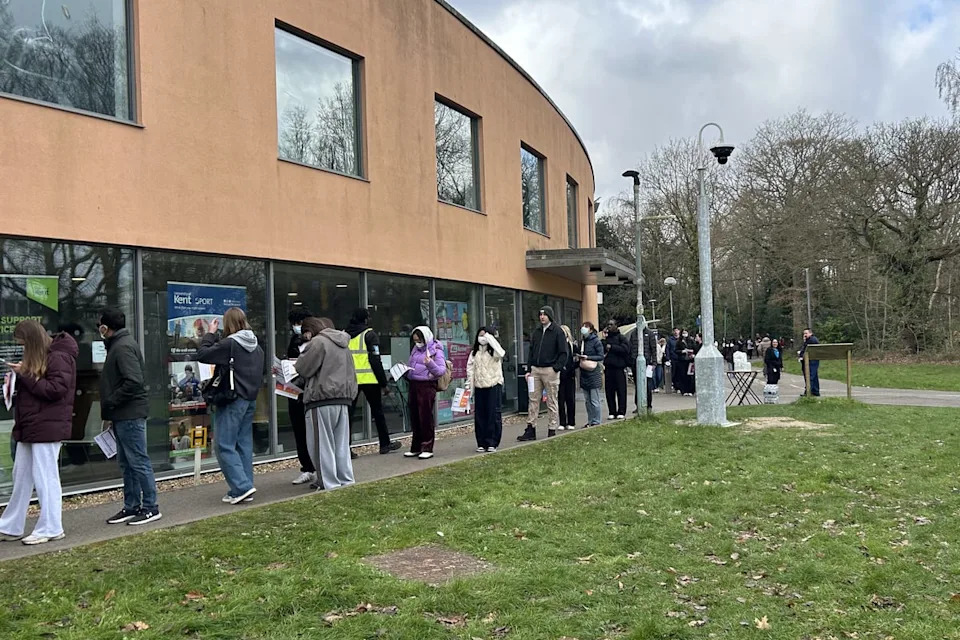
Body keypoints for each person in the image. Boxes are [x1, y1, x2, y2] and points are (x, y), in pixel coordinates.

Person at [0, 321, 77, 545]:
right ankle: (11, 525)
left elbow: (56, 390)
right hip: (34, 424)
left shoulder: (59, 357)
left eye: (23, 344)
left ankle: (51, 526)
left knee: (46, 477)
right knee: (21, 475)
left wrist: (24, 375)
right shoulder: (49, 355)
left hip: (46, 426)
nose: (22, 349)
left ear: (32, 342)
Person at [97, 308, 162, 525]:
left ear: (105, 327)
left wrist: (111, 401)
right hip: (123, 413)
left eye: (100, 325)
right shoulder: (118, 345)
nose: (99, 329)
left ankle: (151, 507)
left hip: (130, 413)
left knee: (138, 461)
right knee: (127, 463)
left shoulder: (122, 347)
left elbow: (133, 381)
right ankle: (132, 506)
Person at [198, 308, 265, 505]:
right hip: (250, 399)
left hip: (232, 399)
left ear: (228, 324)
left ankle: (241, 487)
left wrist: (210, 333)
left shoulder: (231, 344)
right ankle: (246, 485)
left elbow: (203, 354)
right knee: (243, 444)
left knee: (224, 444)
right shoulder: (256, 345)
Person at [294, 317, 357, 490]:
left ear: (309, 331)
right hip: (343, 399)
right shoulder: (343, 344)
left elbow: (302, 368)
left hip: (321, 399)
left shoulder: (318, 342)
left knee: (321, 445)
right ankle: (346, 479)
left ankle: (328, 482)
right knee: (341, 445)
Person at [346, 308, 401, 455]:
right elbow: (375, 360)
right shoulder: (369, 335)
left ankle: (345, 449)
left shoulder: (345, 335)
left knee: (348, 415)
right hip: (370, 379)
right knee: (378, 413)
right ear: (365, 319)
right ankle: (384, 444)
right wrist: (383, 383)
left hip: (351, 380)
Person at [518, 306, 567, 441]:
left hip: (550, 370)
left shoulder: (557, 332)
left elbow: (563, 353)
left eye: (544, 315)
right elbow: (532, 352)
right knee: (533, 399)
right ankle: (531, 427)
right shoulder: (537, 332)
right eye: (540, 314)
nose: (542, 317)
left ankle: (552, 427)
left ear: (550, 316)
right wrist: (529, 369)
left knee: (552, 399)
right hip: (536, 369)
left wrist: (555, 368)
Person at [285, 308, 317, 485]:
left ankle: (317, 467)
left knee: (314, 431)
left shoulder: (318, 342)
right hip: (294, 390)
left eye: (299, 323)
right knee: (299, 431)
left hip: (311, 391)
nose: (296, 327)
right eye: (294, 324)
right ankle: (306, 467)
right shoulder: (294, 341)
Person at [404, 326, 446, 459]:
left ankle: (427, 446)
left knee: (425, 417)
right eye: (415, 340)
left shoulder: (436, 350)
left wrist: (430, 363)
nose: (417, 343)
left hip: (427, 385)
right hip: (414, 384)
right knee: (415, 416)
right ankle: (416, 447)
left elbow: (440, 371)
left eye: (419, 340)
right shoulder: (415, 350)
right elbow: (413, 365)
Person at [465, 326, 505, 452]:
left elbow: (501, 352)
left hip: (493, 385)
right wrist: (469, 388)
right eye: (480, 335)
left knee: (493, 414)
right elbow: (470, 371)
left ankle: (492, 441)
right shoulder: (474, 352)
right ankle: (481, 442)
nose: (482, 338)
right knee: (480, 415)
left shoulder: (494, 351)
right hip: (479, 386)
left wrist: (490, 338)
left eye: (485, 336)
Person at [575, 322, 605, 427]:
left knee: (594, 400)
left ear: (591, 330)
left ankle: (596, 421)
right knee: (587, 401)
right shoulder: (582, 341)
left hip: (593, 374)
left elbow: (600, 356)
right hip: (584, 373)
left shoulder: (596, 341)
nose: (584, 329)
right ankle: (591, 420)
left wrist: (588, 357)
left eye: (586, 327)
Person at [602, 320, 630, 418]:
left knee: (621, 391)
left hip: (619, 368)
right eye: (608, 325)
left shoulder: (621, 338)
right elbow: (602, 349)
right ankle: (612, 411)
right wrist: (604, 338)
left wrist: (612, 347)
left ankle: (621, 411)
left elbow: (625, 349)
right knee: (609, 391)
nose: (609, 326)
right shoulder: (606, 339)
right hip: (608, 368)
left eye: (611, 325)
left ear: (616, 326)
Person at [629, 325, 658, 414]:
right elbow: (631, 348)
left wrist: (654, 362)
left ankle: (648, 405)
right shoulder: (634, 333)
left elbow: (653, 349)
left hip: (647, 363)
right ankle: (638, 405)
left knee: (647, 385)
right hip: (635, 363)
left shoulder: (650, 333)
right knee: (638, 385)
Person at [557, 325, 578, 432]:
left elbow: (576, 358)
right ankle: (562, 422)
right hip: (560, 375)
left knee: (570, 399)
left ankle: (571, 421)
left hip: (570, 375)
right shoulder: (557, 345)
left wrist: (572, 366)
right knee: (560, 400)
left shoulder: (572, 345)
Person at [799, 328, 820, 396]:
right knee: (814, 376)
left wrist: (802, 354)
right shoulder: (809, 340)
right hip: (810, 360)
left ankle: (808, 392)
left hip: (811, 360)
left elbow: (806, 349)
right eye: (804, 333)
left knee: (810, 376)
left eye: (806, 333)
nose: (805, 335)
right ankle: (815, 391)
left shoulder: (811, 340)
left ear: (810, 333)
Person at [666, 328, 680, 393]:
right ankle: (675, 386)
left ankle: (679, 386)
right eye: (675, 331)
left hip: (680, 358)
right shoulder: (670, 340)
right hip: (673, 358)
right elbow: (667, 349)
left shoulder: (681, 340)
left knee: (679, 373)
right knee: (673, 373)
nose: (676, 332)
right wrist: (668, 358)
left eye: (677, 331)